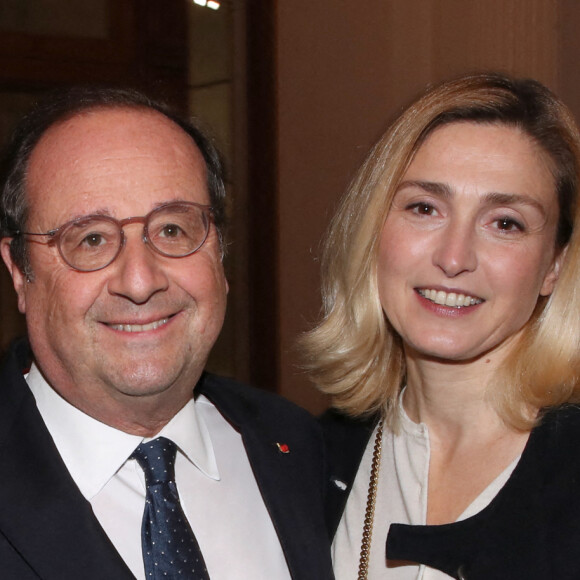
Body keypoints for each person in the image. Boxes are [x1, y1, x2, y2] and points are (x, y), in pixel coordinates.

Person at [0, 87, 334, 580]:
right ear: (19, 273)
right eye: (91, 239)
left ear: (220, 255)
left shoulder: (299, 446)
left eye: (173, 230)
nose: (141, 281)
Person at [301, 72, 580, 579]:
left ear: (554, 265)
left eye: (505, 223)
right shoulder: (311, 462)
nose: (454, 258)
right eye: (424, 208)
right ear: (374, 232)